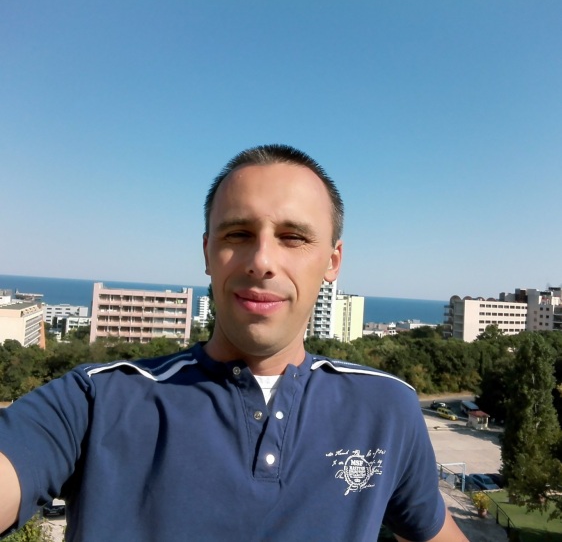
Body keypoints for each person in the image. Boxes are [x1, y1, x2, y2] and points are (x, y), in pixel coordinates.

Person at [0, 144, 468, 541]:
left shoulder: (386, 408)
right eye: (238, 234)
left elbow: (431, 528)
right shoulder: (95, 399)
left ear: (333, 261)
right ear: (208, 252)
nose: (262, 260)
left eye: (293, 237)